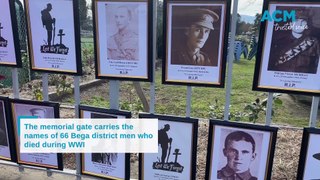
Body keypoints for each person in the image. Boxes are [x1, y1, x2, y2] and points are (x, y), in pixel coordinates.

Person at [268, 8, 320, 74]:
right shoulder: (279, 42)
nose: (300, 24)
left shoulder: (314, 42)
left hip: (304, 82)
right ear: (291, 23)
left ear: (306, 25)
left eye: (303, 21)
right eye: (296, 20)